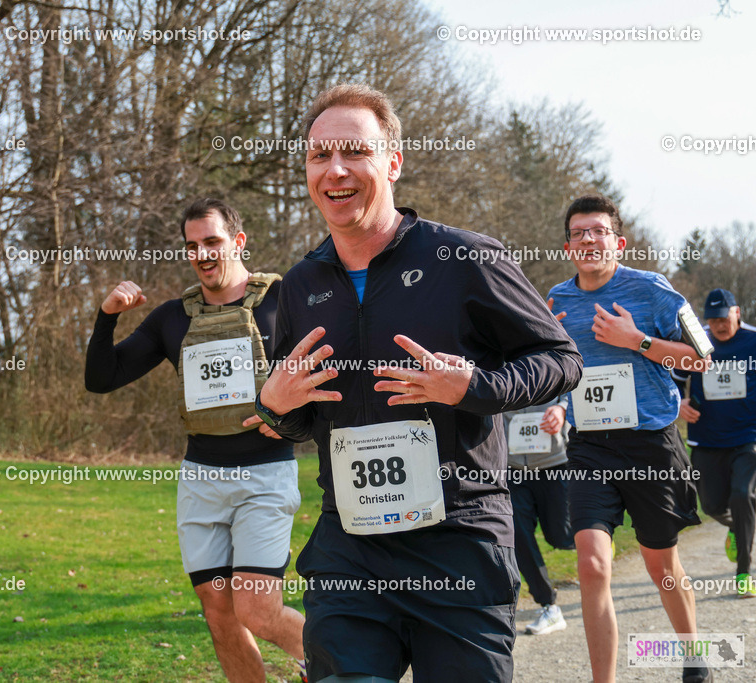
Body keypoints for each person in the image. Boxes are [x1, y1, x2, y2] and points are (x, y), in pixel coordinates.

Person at [249, 84, 582, 683]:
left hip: (458, 545)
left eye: (355, 151)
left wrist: (474, 386)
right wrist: (272, 405)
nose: (336, 170)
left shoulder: (464, 259)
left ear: (394, 162)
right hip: (350, 553)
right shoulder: (299, 285)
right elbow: (298, 412)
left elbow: (561, 359)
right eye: (319, 156)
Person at [84, 198, 305, 683]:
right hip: (202, 478)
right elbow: (103, 378)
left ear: (238, 242)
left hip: (265, 475)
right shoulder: (172, 318)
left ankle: (340, 667)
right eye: (192, 246)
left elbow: (328, 373)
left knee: (257, 609)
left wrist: (294, 423)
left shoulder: (283, 300)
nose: (202, 254)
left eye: (212, 242)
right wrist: (107, 316)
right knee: (219, 612)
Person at [547, 194, 713, 683]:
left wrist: (635, 340)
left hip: (649, 443)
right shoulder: (555, 301)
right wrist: (547, 355)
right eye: (579, 233)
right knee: (593, 562)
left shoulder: (652, 291)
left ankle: (692, 654)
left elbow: (700, 358)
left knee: (659, 560)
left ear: (617, 242)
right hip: (590, 446)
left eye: (598, 231)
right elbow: (543, 370)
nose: (588, 240)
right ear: (568, 246)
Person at [673, 288, 756, 598]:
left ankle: (744, 573)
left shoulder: (753, 341)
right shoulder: (697, 341)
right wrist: (680, 403)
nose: (720, 325)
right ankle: (739, 525)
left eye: (725, 318)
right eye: (713, 319)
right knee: (710, 504)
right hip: (706, 438)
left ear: (737, 313)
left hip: (748, 436)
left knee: (742, 493)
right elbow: (675, 380)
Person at [502, 397, 574, 636]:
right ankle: (549, 605)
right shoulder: (495, 361)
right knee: (517, 535)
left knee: (561, 537)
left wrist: (563, 409)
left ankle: (599, 541)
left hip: (554, 463)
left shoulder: (551, 359)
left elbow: (576, 385)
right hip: (512, 468)